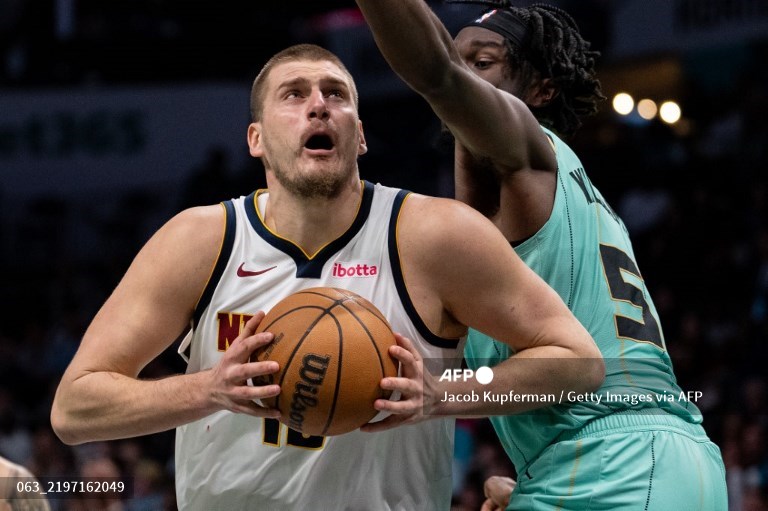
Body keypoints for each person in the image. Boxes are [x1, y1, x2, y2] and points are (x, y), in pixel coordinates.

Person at [50, 44, 603, 510]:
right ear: (256, 138)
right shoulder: (200, 240)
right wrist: (208, 388)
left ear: (359, 136)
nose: (318, 106)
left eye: (336, 94)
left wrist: (444, 392)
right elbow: (74, 408)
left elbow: (579, 363)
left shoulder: (435, 235)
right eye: (293, 95)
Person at [352, 0, 728, 509]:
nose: (465, 72)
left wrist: (445, 390)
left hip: (616, 464)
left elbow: (436, 72)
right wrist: (538, 476)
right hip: (630, 461)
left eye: (482, 62)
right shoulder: (546, 198)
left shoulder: (531, 150)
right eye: (459, 58)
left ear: (540, 90)